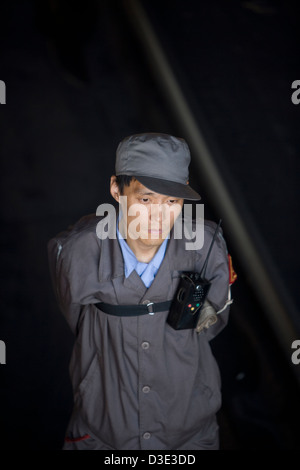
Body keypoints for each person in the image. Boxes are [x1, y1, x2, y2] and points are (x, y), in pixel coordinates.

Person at [47, 132, 234, 450]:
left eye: (172, 202)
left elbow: (212, 322)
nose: (159, 217)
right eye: (146, 199)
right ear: (116, 190)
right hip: (105, 429)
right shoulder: (79, 251)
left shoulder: (205, 245)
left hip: (189, 432)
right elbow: (76, 315)